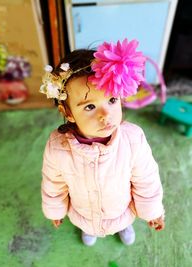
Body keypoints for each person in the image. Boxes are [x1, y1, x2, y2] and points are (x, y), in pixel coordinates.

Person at [40, 38, 165, 247]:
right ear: (67, 112)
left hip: (121, 210)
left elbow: (147, 180)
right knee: (88, 229)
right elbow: (53, 184)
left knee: (123, 219)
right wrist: (56, 209)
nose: (105, 115)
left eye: (112, 100)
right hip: (84, 214)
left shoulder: (133, 140)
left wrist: (152, 212)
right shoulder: (57, 148)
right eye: (89, 107)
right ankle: (89, 229)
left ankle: (123, 226)